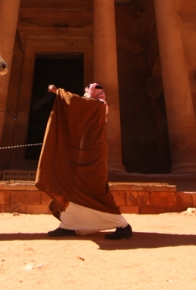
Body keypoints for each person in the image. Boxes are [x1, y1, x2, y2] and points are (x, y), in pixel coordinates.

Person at [35, 83, 133, 240]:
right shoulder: (93, 106)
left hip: (92, 156)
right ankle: (68, 225)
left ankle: (123, 226)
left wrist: (58, 91)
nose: (86, 94)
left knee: (94, 191)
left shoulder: (98, 105)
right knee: (72, 188)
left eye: (88, 92)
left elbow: (78, 103)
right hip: (82, 153)